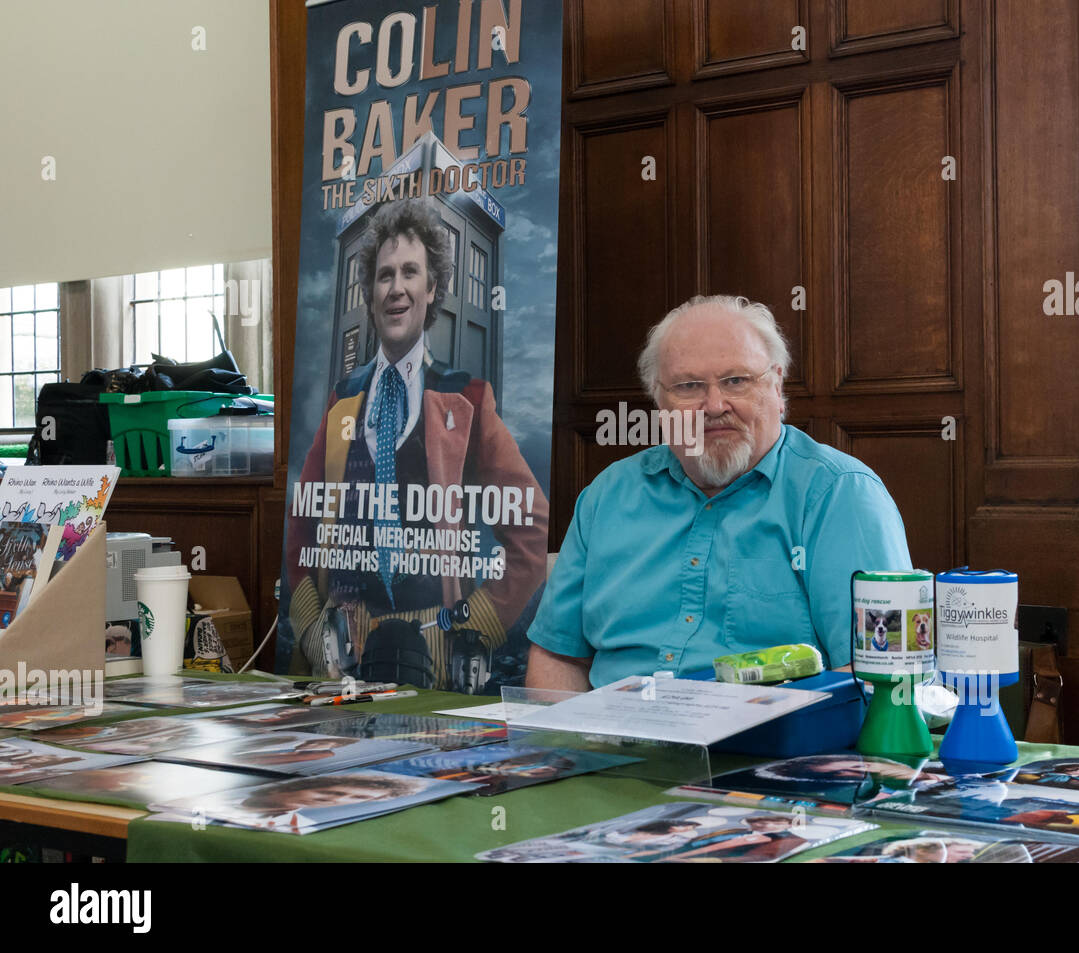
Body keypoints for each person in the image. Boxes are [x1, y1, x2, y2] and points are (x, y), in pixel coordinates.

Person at [526, 294, 912, 690]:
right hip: (609, 744)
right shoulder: (608, 496)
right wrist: (565, 747)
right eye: (688, 386)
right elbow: (559, 655)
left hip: (767, 745)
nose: (713, 405)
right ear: (659, 401)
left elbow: (878, 674)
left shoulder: (841, 495)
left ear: (777, 387)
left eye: (736, 381)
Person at [286, 197, 549, 690]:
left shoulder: (469, 399)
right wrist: (313, 630)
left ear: (432, 289)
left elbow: (533, 531)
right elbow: (302, 527)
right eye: (385, 275)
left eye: (411, 272)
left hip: (435, 651)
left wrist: (475, 628)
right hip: (343, 660)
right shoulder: (342, 401)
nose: (396, 288)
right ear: (369, 294)